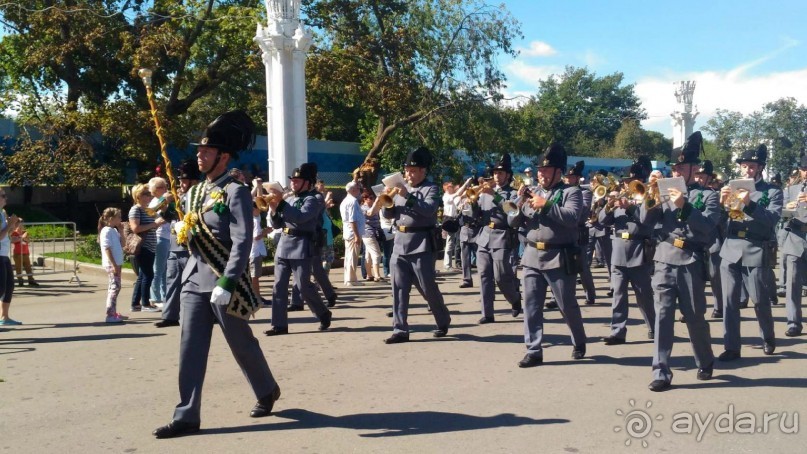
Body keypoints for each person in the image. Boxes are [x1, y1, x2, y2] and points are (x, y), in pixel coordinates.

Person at [153, 110, 279, 439]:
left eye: (206, 152)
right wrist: (183, 229)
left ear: (223, 157)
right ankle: (186, 415)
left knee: (241, 344)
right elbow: (193, 232)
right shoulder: (193, 193)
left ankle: (266, 390)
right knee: (189, 349)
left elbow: (240, 241)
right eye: (199, 150)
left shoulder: (235, 192)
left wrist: (227, 281)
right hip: (194, 280)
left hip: (223, 282)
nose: (199, 155)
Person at [640, 131, 717, 392]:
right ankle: (661, 370)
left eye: (681, 166)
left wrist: (684, 205)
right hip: (663, 257)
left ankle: (705, 360)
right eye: (674, 166)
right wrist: (650, 194)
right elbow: (645, 223)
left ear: (694, 169)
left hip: (691, 261)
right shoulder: (663, 191)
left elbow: (707, 229)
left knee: (694, 316)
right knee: (662, 316)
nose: (676, 170)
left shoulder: (708, 196)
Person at [511, 144, 587, 367]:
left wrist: (546, 205)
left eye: (546, 170)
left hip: (559, 256)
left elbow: (573, 218)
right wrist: (518, 203)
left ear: (558, 172)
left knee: (567, 305)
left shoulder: (572, 192)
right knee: (531, 306)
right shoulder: (534, 192)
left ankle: (579, 341)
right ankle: (534, 349)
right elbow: (514, 221)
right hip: (532, 254)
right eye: (540, 170)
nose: (541, 174)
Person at [718, 144, 783, 362]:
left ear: (761, 168)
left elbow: (771, 221)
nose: (747, 170)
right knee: (729, 301)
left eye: (751, 166)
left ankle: (768, 337)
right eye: (744, 166)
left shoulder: (772, 191)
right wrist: (721, 204)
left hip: (755, 248)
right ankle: (732, 346)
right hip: (731, 247)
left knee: (759, 300)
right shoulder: (731, 187)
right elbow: (719, 222)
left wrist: (749, 204)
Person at [381, 146, 452, 343]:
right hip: (400, 243)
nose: (408, 175)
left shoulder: (432, 188)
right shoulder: (400, 189)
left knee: (427, 287)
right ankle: (400, 329)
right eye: (406, 171)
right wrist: (389, 202)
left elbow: (429, 210)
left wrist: (407, 196)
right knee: (398, 288)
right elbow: (389, 215)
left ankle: (442, 319)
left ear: (423, 171)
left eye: (413, 171)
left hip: (421, 244)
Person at [264, 162, 333, 336]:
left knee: (302, 285)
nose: (293, 183)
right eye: (292, 180)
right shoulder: (289, 198)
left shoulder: (314, 199)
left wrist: (280, 203)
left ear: (308, 182)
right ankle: (279, 325)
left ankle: (322, 312)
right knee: (278, 286)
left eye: (297, 180)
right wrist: (273, 209)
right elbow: (277, 223)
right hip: (284, 244)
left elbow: (301, 217)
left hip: (302, 245)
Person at [599, 157, 656, 344]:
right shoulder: (618, 196)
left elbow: (647, 221)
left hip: (639, 251)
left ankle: (654, 326)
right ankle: (618, 331)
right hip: (618, 252)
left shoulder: (648, 197)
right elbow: (601, 221)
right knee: (618, 294)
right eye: (626, 181)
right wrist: (608, 207)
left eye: (631, 181)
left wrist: (630, 207)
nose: (627, 184)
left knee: (644, 296)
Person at [472, 153, 522, 324]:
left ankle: (514, 298)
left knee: (501, 276)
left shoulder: (513, 193)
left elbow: (512, 211)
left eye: (500, 173)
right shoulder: (485, 193)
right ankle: (487, 313)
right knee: (484, 275)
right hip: (484, 236)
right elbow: (476, 214)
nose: (496, 176)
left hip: (502, 235)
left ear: (508, 175)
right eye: (495, 173)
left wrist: (495, 195)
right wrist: (472, 202)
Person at [156, 159, 200, 328]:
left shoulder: (197, 197)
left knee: (196, 283)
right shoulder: (179, 196)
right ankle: (170, 316)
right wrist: (165, 205)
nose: (181, 183)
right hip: (175, 246)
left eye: (184, 180)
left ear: (194, 181)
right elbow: (168, 218)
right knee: (172, 280)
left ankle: (209, 314)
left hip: (191, 247)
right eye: (180, 179)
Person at [781, 153, 807, 337]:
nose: (806, 173)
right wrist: (787, 209)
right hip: (795, 237)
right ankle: (793, 322)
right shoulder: (791, 189)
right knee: (792, 283)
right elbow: (777, 213)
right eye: (804, 169)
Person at [564, 161, 596, 306]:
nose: (568, 180)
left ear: (577, 178)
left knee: (582, 266)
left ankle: (590, 293)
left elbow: (581, 213)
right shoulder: (562, 192)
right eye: (567, 177)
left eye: (571, 178)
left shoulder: (585, 192)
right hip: (564, 231)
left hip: (579, 231)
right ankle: (556, 297)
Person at [128, 184, 163, 313]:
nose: (149, 196)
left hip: (151, 246)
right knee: (148, 274)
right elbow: (135, 228)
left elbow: (158, 221)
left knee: (143, 275)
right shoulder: (135, 209)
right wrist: (154, 224)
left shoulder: (148, 209)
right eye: (146, 194)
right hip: (142, 246)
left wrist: (157, 223)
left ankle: (135, 304)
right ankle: (145, 303)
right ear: (139, 196)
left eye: (149, 194)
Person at [148, 177, 172, 308]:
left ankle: (165, 295)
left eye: (165, 186)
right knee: (158, 269)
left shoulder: (162, 201)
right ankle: (154, 297)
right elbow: (151, 214)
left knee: (165, 270)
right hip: (159, 237)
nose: (165, 189)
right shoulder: (154, 202)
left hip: (168, 237)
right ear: (155, 190)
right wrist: (164, 200)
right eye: (162, 187)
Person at [99, 208, 125, 323]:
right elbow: (107, 248)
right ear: (111, 219)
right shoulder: (106, 231)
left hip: (117, 263)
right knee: (114, 288)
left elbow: (123, 244)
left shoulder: (114, 230)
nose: (120, 219)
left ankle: (113, 311)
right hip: (112, 264)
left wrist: (121, 231)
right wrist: (114, 264)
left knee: (116, 287)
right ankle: (110, 314)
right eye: (118, 217)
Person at [0, 191, 21, 326]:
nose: (6, 198)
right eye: (3, 196)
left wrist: (12, 231)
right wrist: (10, 225)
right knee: (0, 288)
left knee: (8, 287)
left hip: (4, 254)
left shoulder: (2, 212)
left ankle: (4, 317)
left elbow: (4, 235)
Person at [340, 181, 364, 286]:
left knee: (350, 255)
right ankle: (351, 280)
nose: (359, 191)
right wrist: (357, 235)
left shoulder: (346, 200)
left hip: (349, 232)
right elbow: (352, 220)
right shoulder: (352, 201)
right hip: (352, 233)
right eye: (358, 189)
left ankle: (350, 278)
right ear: (353, 190)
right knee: (352, 256)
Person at [10, 221, 39, 287]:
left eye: (22, 225)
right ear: (16, 225)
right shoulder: (14, 232)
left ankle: (31, 280)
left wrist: (22, 238)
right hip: (17, 253)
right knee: (18, 268)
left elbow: (28, 241)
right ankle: (20, 281)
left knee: (28, 267)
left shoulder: (25, 232)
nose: (21, 226)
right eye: (19, 225)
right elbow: (13, 240)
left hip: (25, 253)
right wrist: (22, 238)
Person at [441, 181, 459, 270]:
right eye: (451, 186)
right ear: (447, 188)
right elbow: (458, 194)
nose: (452, 187)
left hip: (454, 220)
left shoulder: (451, 196)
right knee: (449, 243)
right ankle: (447, 265)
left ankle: (449, 264)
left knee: (451, 242)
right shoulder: (446, 196)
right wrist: (466, 183)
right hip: (449, 220)